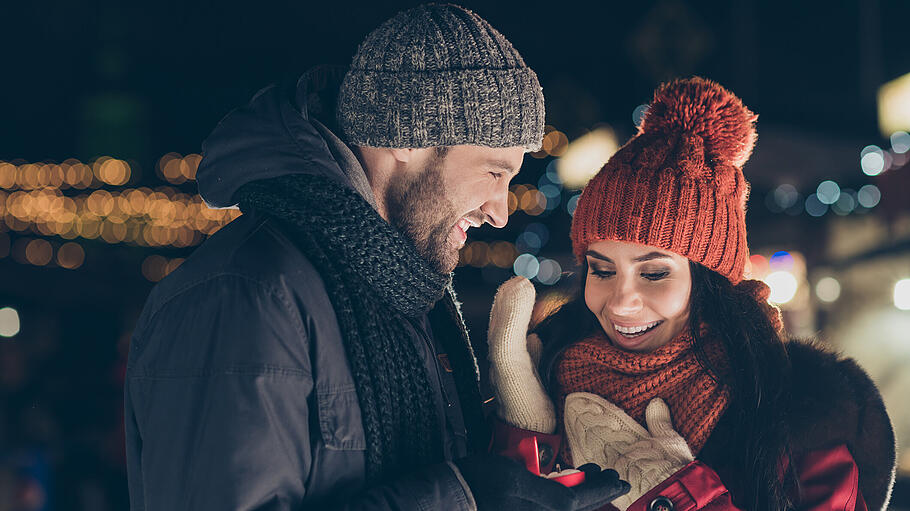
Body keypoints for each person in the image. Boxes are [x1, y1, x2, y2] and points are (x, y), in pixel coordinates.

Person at [124, 4, 629, 510]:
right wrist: (464, 500)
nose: (500, 211)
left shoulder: (398, 287)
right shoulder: (244, 297)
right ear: (408, 137)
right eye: (494, 172)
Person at [488, 77, 896, 510]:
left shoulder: (808, 411)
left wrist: (674, 495)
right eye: (602, 270)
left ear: (709, 281)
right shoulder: (549, 371)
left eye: (655, 274)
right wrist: (528, 439)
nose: (621, 302)